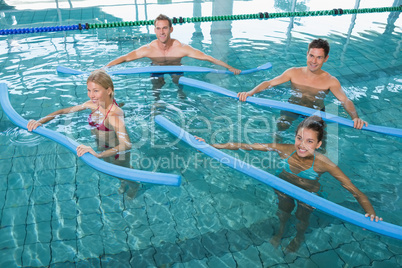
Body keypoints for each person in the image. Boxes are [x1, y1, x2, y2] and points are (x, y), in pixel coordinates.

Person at [196, 115, 381, 252]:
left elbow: (355, 192)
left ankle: (299, 237)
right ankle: (281, 231)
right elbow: (246, 145)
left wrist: (371, 214)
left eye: (309, 141)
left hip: (308, 195)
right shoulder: (285, 150)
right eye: (299, 138)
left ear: (318, 144)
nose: (302, 145)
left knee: (302, 218)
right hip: (283, 187)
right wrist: (211, 146)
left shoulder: (324, 163)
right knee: (283, 213)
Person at [27, 70, 139, 198]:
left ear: (108, 90)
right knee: (117, 173)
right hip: (103, 147)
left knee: (121, 174)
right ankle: (125, 180)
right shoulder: (92, 104)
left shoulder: (114, 115)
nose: (91, 95)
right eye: (89, 90)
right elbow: (64, 111)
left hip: (117, 154)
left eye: (96, 91)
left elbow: (127, 144)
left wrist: (98, 155)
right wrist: (39, 121)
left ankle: (135, 186)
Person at [237, 39, 368, 135]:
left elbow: (345, 100)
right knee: (280, 127)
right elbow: (269, 83)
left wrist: (355, 117)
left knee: (316, 137)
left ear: (326, 59)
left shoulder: (331, 81)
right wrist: (250, 92)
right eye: (311, 56)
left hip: (315, 112)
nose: (313, 61)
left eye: (319, 58)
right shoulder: (293, 72)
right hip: (293, 106)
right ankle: (277, 150)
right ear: (307, 54)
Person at [105, 14, 241, 100]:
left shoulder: (181, 48)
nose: (161, 32)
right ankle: (156, 102)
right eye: (158, 28)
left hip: (176, 67)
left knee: (179, 81)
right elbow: (124, 58)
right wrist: (104, 68)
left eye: (164, 28)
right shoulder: (149, 49)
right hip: (157, 67)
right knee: (156, 84)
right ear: (155, 30)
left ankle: (181, 96)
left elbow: (207, 58)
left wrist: (230, 68)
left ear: (171, 29)